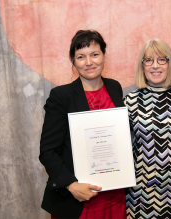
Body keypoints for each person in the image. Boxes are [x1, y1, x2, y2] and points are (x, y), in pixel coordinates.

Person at [39, 30, 126, 219]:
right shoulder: (62, 97)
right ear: (73, 60)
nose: (89, 62)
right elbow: (48, 151)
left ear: (104, 56)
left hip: (115, 196)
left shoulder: (114, 87)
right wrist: (71, 185)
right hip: (79, 198)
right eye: (81, 57)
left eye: (95, 54)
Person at [124, 39, 171, 219]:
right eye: (148, 60)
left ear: (169, 64)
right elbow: (124, 152)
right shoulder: (130, 102)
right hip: (141, 194)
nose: (155, 66)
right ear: (142, 66)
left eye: (161, 60)